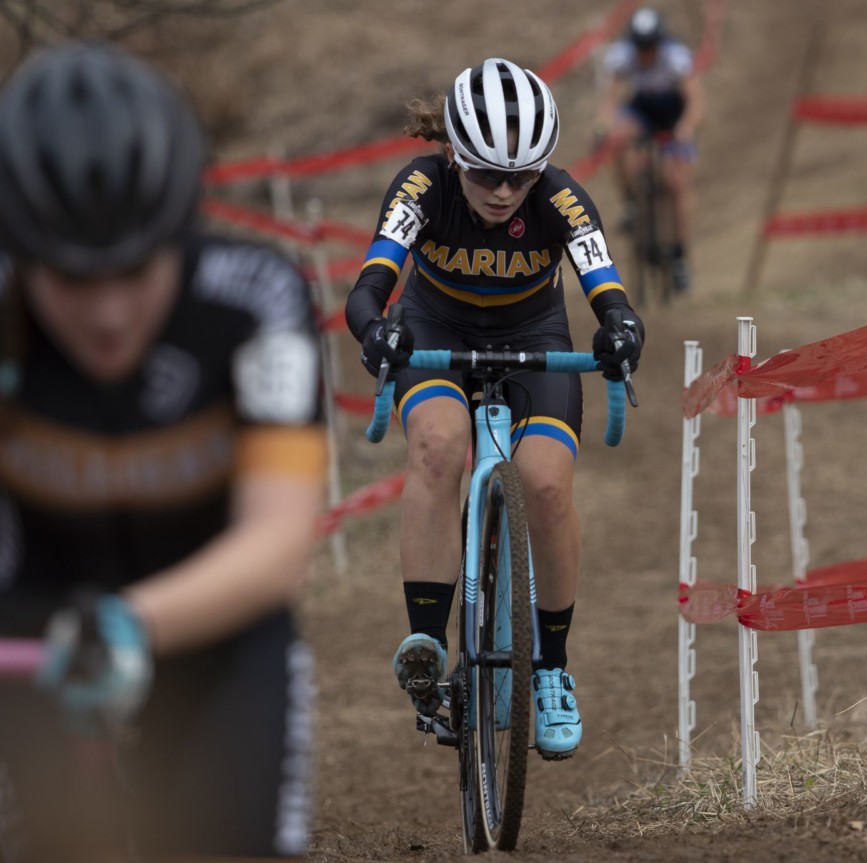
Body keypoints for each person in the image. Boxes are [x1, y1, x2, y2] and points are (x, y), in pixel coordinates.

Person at [0, 42, 326, 862]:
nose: (108, 313)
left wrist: (126, 623)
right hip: (35, 628)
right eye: (73, 279)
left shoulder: (255, 299)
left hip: (217, 627)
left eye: (135, 269)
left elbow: (279, 540)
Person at [344, 57, 643, 761]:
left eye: (522, 176)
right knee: (439, 446)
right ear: (453, 154)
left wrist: (621, 327)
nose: (506, 192)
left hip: (534, 338)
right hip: (437, 332)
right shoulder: (421, 185)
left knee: (544, 482)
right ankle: (427, 644)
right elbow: (367, 289)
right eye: (486, 175)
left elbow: (608, 289)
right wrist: (376, 329)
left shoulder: (562, 198)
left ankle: (552, 668)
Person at [597, 5, 704, 293]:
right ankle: (631, 200)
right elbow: (611, 99)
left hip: (673, 113)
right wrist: (606, 126)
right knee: (619, 138)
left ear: (661, 42)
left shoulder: (676, 58)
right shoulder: (622, 56)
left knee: (676, 182)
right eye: (640, 46)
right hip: (643, 109)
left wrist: (685, 128)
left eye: (651, 46)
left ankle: (680, 256)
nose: (646, 52)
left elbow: (694, 101)